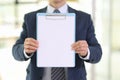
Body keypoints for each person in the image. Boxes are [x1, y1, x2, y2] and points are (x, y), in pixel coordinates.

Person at [12, 0, 102, 80]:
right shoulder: (30, 18)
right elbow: (16, 51)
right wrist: (25, 49)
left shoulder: (84, 19)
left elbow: (97, 52)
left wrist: (86, 51)